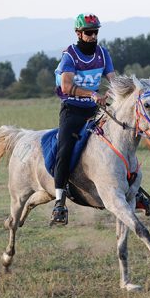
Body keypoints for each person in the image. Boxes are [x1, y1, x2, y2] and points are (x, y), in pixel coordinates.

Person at [51, 13, 116, 225]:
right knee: (65, 149)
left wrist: (121, 93)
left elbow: (114, 81)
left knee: (118, 143)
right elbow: (66, 86)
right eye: (89, 32)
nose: (93, 35)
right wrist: (92, 94)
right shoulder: (70, 55)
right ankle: (60, 202)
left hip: (95, 110)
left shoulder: (103, 54)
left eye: (96, 31)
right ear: (79, 33)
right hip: (73, 110)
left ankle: (135, 190)